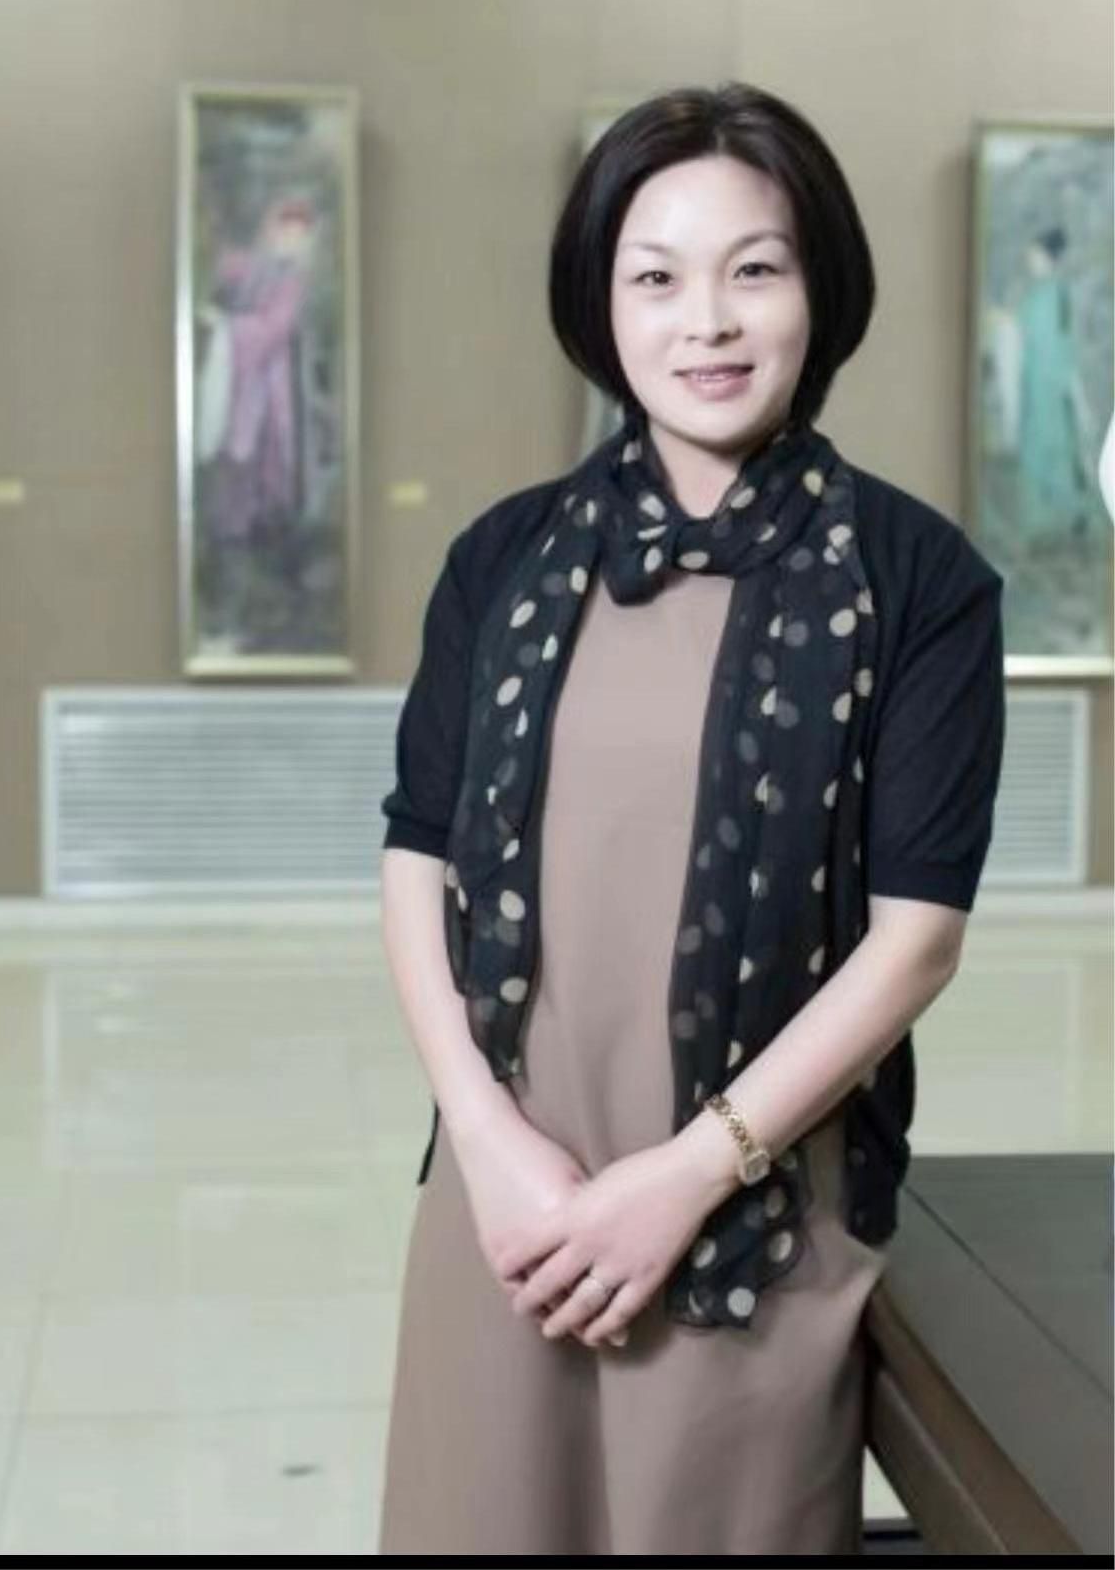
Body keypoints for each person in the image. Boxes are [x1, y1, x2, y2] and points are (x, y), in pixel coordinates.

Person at [376, 81, 1005, 1555]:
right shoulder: (504, 559)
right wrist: (487, 1140)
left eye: (754, 270)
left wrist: (685, 1178)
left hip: (755, 1208)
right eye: (655, 278)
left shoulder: (915, 579)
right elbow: (417, 854)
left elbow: (916, 940)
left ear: (820, 289)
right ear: (601, 310)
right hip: (510, 1193)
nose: (707, 321)